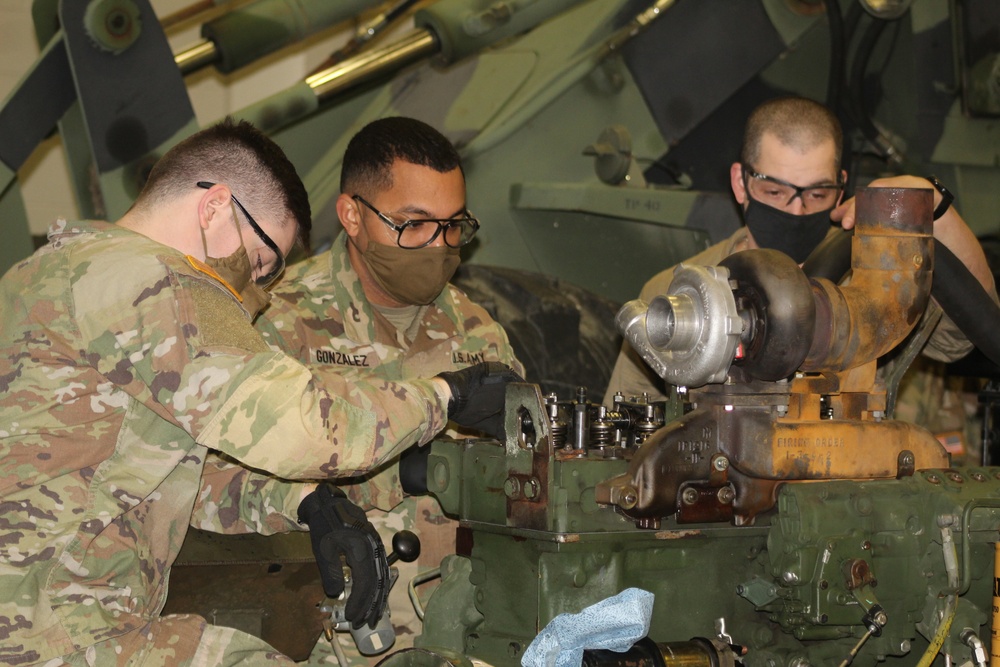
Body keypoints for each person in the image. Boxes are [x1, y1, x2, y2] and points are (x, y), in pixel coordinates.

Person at [0, 118, 520, 665]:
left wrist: (305, 503)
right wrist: (445, 396)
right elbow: (309, 428)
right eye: (260, 258)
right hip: (53, 633)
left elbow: (182, 469)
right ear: (215, 208)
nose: (257, 290)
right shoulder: (159, 285)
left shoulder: (41, 271)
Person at [254, 116, 524, 662]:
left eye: (454, 226)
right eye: (414, 224)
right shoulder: (283, 322)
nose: (438, 245)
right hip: (335, 638)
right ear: (352, 215)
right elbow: (232, 479)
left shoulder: (477, 331)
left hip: (464, 631)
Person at [604, 96, 998, 441]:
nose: (796, 210)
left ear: (841, 189)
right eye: (775, 192)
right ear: (741, 183)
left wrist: (932, 207)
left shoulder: (871, 280)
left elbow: (971, 331)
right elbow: (629, 430)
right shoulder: (681, 292)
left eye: (816, 194)